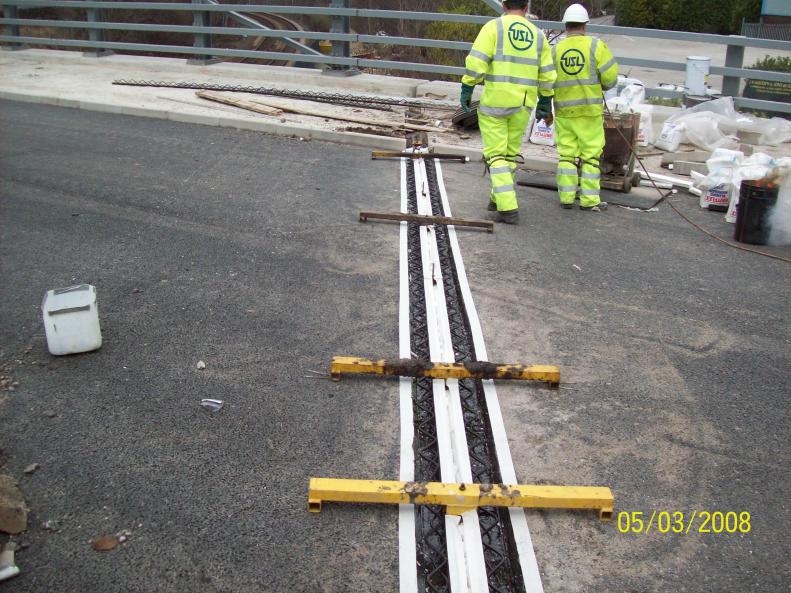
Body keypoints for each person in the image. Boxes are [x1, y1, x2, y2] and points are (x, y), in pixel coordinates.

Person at [460, 0, 556, 224]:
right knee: (509, 155)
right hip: (523, 104)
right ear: (526, 6)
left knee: (495, 155)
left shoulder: (493, 28)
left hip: (495, 102)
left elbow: (477, 62)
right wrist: (545, 100)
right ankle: (497, 198)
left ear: (503, 5)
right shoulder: (538, 34)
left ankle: (508, 208)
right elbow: (547, 72)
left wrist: (467, 87)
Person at [552, 3, 618, 211]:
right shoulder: (595, 46)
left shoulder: (555, 50)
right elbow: (610, 78)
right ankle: (589, 201)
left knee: (567, 155)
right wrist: (602, 84)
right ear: (585, 25)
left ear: (566, 26)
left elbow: (546, 80)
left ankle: (566, 198)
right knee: (590, 155)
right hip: (589, 111)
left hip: (564, 111)